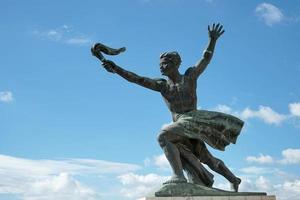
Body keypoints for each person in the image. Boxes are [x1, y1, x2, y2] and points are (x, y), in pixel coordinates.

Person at [92, 23, 243, 192]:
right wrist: (116, 69)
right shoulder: (162, 85)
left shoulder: (189, 77)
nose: (160, 66)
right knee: (205, 157)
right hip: (181, 125)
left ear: (174, 64)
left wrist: (212, 40)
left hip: (193, 120)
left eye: (164, 63)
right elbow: (136, 79)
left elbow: (205, 59)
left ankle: (178, 177)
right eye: (160, 63)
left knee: (163, 136)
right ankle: (233, 179)